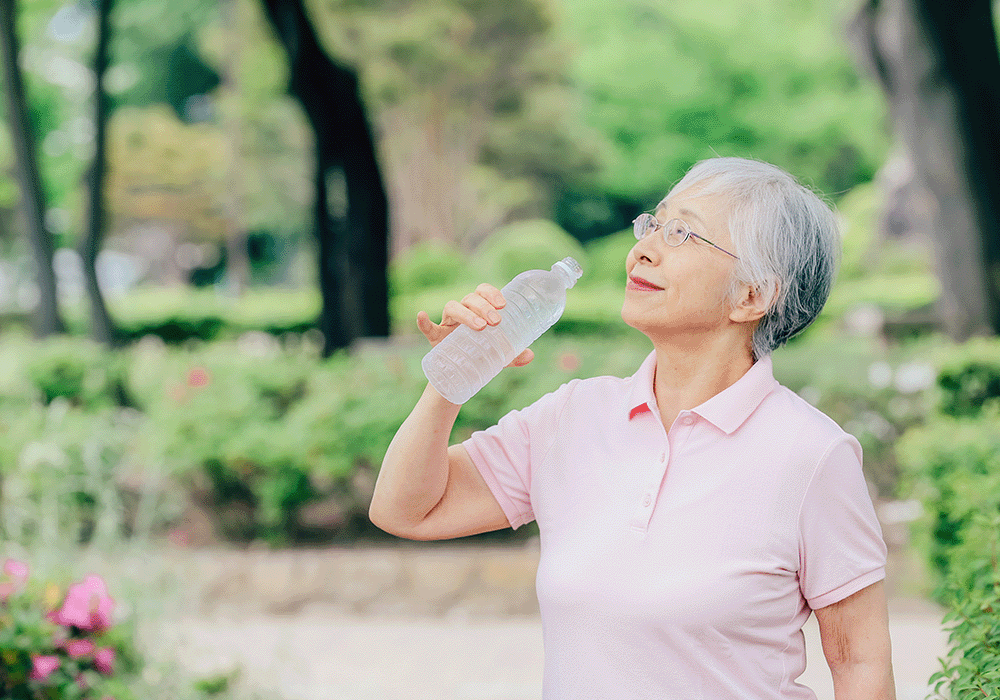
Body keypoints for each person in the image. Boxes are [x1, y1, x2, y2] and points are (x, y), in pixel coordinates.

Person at [369, 157, 896, 700]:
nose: (643, 249)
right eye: (653, 225)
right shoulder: (572, 417)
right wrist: (454, 375)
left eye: (684, 233)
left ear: (753, 296)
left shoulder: (812, 455)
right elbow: (406, 510)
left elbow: (859, 663)